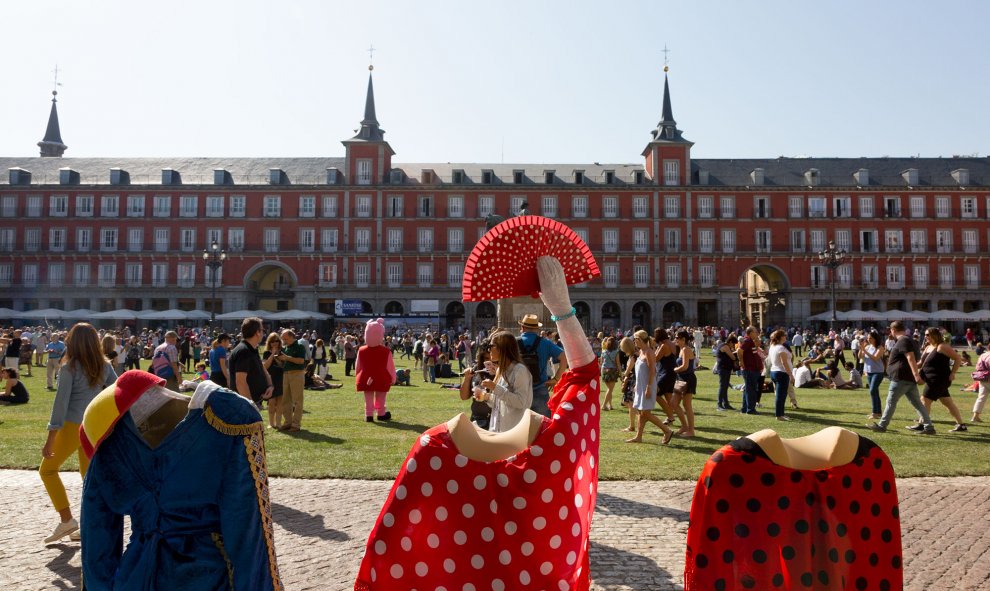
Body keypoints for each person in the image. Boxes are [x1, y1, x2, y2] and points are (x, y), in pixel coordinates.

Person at [40, 322, 117, 543]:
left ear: (72, 341)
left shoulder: (69, 367)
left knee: (47, 471)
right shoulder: (105, 365)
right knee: (89, 480)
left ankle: (67, 520)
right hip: (94, 425)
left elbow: (60, 405)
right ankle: (91, 525)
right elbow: (117, 391)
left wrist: (50, 438)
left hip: (73, 426)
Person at [868, 321, 935, 435]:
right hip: (907, 378)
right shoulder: (911, 341)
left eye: (891, 331)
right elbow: (915, 358)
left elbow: (910, 358)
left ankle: (882, 425)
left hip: (901, 378)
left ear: (893, 330)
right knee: (918, 404)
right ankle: (929, 427)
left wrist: (916, 375)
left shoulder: (903, 340)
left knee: (891, 402)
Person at [475, 330, 532, 433]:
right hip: (499, 430)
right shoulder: (501, 370)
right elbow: (502, 403)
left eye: (491, 346)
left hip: (513, 432)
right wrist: (486, 397)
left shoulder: (519, 370)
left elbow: (520, 402)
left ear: (502, 348)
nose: (489, 349)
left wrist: (495, 388)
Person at [625, 330, 674, 444]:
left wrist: (649, 386)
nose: (634, 342)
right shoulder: (641, 352)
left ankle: (667, 431)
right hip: (641, 386)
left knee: (646, 414)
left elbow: (652, 371)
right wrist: (637, 384)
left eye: (635, 340)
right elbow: (640, 371)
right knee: (641, 413)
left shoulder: (649, 352)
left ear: (639, 340)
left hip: (648, 386)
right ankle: (638, 436)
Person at [916, 328, 967, 432]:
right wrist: (908, 366)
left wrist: (953, 373)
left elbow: (957, 358)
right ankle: (961, 425)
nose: (926, 337)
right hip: (930, 379)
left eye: (928, 335)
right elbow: (921, 362)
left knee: (925, 400)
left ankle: (924, 425)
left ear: (935, 335)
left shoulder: (942, 347)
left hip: (939, 379)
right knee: (947, 402)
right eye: (925, 335)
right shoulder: (928, 347)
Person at [517, 314, 566, 417]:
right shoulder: (546, 343)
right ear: (537, 329)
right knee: (543, 426)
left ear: (522, 327)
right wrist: (556, 379)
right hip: (540, 388)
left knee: (519, 427)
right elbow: (564, 357)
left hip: (518, 391)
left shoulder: (513, 342)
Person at [355, 318, 396, 422]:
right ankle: (380, 413)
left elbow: (358, 366)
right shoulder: (386, 352)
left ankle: (369, 415)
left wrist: (357, 375)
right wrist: (393, 378)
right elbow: (390, 367)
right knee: (380, 398)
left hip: (365, 377)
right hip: (381, 377)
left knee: (368, 397)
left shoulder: (361, 350)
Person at [228, 317, 273, 407]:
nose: (263, 333)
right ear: (257, 332)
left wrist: (270, 386)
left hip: (254, 401)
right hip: (244, 405)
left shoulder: (252, 349)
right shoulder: (244, 351)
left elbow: (262, 368)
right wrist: (251, 406)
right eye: (262, 330)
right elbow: (241, 382)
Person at [458, 339, 493, 430]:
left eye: (492, 358)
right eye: (486, 358)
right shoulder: (476, 369)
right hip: (478, 420)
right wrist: (467, 378)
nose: (489, 362)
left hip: (496, 420)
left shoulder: (504, 372)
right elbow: (464, 397)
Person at [278, 329, 308, 431]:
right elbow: (286, 361)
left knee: (297, 400)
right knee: (286, 400)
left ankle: (296, 425)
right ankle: (288, 422)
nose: (283, 340)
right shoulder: (286, 348)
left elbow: (301, 361)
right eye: (283, 338)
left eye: (285, 338)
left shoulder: (299, 346)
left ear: (291, 337)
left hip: (296, 374)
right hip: (286, 374)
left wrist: (287, 358)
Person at [672, 330, 698, 435]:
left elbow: (685, 366)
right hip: (681, 379)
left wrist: (674, 370)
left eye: (677, 338)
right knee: (674, 403)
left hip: (688, 379)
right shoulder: (681, 349)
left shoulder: (686, 350)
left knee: (687, 405)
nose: (675, 339)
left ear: (683, 339)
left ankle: (691, 430)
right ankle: (684, 426)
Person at [767, 329, 793, 421]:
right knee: (780, 395)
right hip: (781, 373)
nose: (786, 337)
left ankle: (781, 413)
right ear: (781, 337)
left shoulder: (773, 346)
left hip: (775, 371)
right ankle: (779, 415)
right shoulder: (780, 348)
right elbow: (784, 362)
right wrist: (790, 375)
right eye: (784, 335)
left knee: (781, 395)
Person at [861, 330, 886, 420]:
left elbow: (875, 358)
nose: (868, 340)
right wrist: (861, 349)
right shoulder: (867, 347)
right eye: (868, 338)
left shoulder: (880, 347)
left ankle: (875, 412)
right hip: (869, 372)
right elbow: (860, 357)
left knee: (872, 391)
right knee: (875, 392)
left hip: (878, 372)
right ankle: (878, 412)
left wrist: (865, 350)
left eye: (870, 338)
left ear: (875, 338)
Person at [261, 332, 284, 429]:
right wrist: (273, 354)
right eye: (272, 342)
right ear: (269, 343)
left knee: (280, 403)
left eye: (277, 341)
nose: (275, 343)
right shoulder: (266, 353)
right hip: (271, 380)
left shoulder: (283, 352)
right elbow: (265, 366)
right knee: (271, 403)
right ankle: (271, 423)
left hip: (281, 379)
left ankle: (278, 423)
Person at [738, 326, 764, 414]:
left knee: (748, 389)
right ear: (750, 333)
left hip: (753, 369)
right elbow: (739, 351)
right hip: (749, 369)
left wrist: (757, 338)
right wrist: (741, 362)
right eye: (755, 332)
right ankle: (750, 409)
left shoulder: (751, 341)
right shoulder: (747, 341)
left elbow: (758, 345)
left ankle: (745, 408)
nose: (757, 333)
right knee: (751, 390)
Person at [715, 335, 738, 410]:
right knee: (722, 386)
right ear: (730, 342)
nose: (733, 346)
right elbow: (732, 357)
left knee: (725, 387)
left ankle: (726, 404)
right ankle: (719, 404)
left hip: (726, 368)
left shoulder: (726, 346)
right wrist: (736, 353)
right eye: (733, 344)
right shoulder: (725, 346)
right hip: (723, 368)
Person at [599, 336, 620, 411]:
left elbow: (601, 363)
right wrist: (621, 373)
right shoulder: (616, 352)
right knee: (610, 389)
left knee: (609, 389)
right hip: (612, 371)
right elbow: (618, 363)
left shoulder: (603, 352)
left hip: (604, 371)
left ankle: (610, 405)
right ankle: (604, 405)